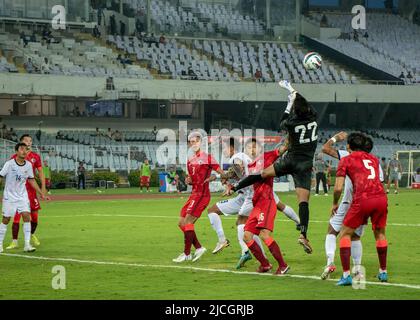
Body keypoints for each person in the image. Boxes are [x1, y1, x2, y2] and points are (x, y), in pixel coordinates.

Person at [230, 80, 318, 254]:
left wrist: (288, 103)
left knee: (261, 174)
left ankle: (237, 186)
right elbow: (303, 103)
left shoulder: (292, 122)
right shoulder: (314, 117)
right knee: (303, 203)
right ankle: (303, 235)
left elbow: (282, 122)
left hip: (290, 160)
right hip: (305, 164)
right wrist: (292, 91)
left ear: (295, 110)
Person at [208, 137, 300, 269]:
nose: (223, 151)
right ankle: (299, 224)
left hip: (253, 195)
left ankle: (251, 254)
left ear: (233, 148)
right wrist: (223, 178)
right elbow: (243, 175)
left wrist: (227, 179)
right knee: (274, 211)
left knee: (249, 226)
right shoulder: (251, 161)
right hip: (254, 194)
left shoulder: (237, 157)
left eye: (225, 148)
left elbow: (238, 169)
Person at [320, 132, 383, 280]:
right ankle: (357, 269)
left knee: (332, 230)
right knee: (355, 236)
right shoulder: (374, 161)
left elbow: (325, 148)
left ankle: (330, 263)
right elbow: (379, 183)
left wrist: (336, 138)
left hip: (349, 201)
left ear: (349, 147)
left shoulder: (346, 156)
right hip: (366, 202)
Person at [225, 139, 290, 275]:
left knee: (264, 234)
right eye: (249, 148)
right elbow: (247, 179)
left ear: (260, 149)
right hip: (257, 204)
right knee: (247, 236)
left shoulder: (267, 156)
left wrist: (290, 138)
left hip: (266, 201)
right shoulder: (251, 165)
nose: (252, 150)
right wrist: (232, 186)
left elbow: (282, 149)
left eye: (254, 147)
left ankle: (283, 265)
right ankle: (265, 265)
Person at [172, 131, 225, 263]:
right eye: (191, 142)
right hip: (193, 194)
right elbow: (189, 178)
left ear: (201, 142)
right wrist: (188, 180)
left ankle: (186, 254)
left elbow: (221, 172)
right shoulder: (190, 160)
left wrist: (216, 177)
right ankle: (199, 248)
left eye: (196, 141)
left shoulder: (208, 158)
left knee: (188, 222)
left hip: (202, 195)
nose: (193, 143)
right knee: (181, 223)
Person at [0, 143, 48, 253]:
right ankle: (0, 244)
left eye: (26, 149)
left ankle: (27, 245)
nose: (24, 151)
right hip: (9, 196)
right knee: (6, 219)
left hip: (22, 196)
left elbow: (31, 180)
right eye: (21, 149)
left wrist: (41, 192)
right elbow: (1, 176)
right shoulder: (9, 164)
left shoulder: (28, 165)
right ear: (16, 151)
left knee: (27, 216)